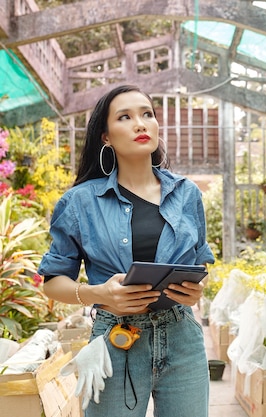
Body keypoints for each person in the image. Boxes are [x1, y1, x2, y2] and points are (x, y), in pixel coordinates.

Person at [38, 85, 215, 417]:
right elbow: (52, 282)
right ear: (106, 136)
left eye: (147, 114)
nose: (140, 123)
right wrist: (98, 293)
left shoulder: (186, 193)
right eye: (126, 117)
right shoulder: (80, 202)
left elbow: (200, 261)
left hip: (182, 337)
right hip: (115, 339)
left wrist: (196, 290)